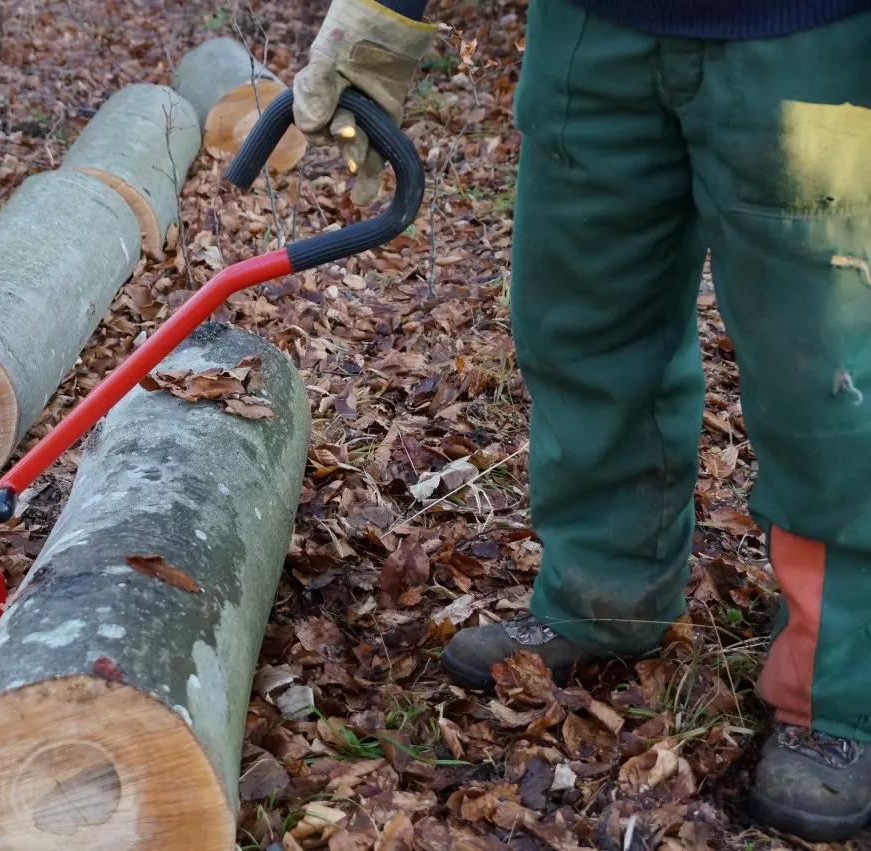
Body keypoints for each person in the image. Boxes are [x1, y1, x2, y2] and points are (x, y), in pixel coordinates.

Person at [294, 0, 871, 841]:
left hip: (810, 40)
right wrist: (385, 15)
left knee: (829, 377)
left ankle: (838, 687)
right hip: (592, 33)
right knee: (580, 327)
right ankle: (602, 597)